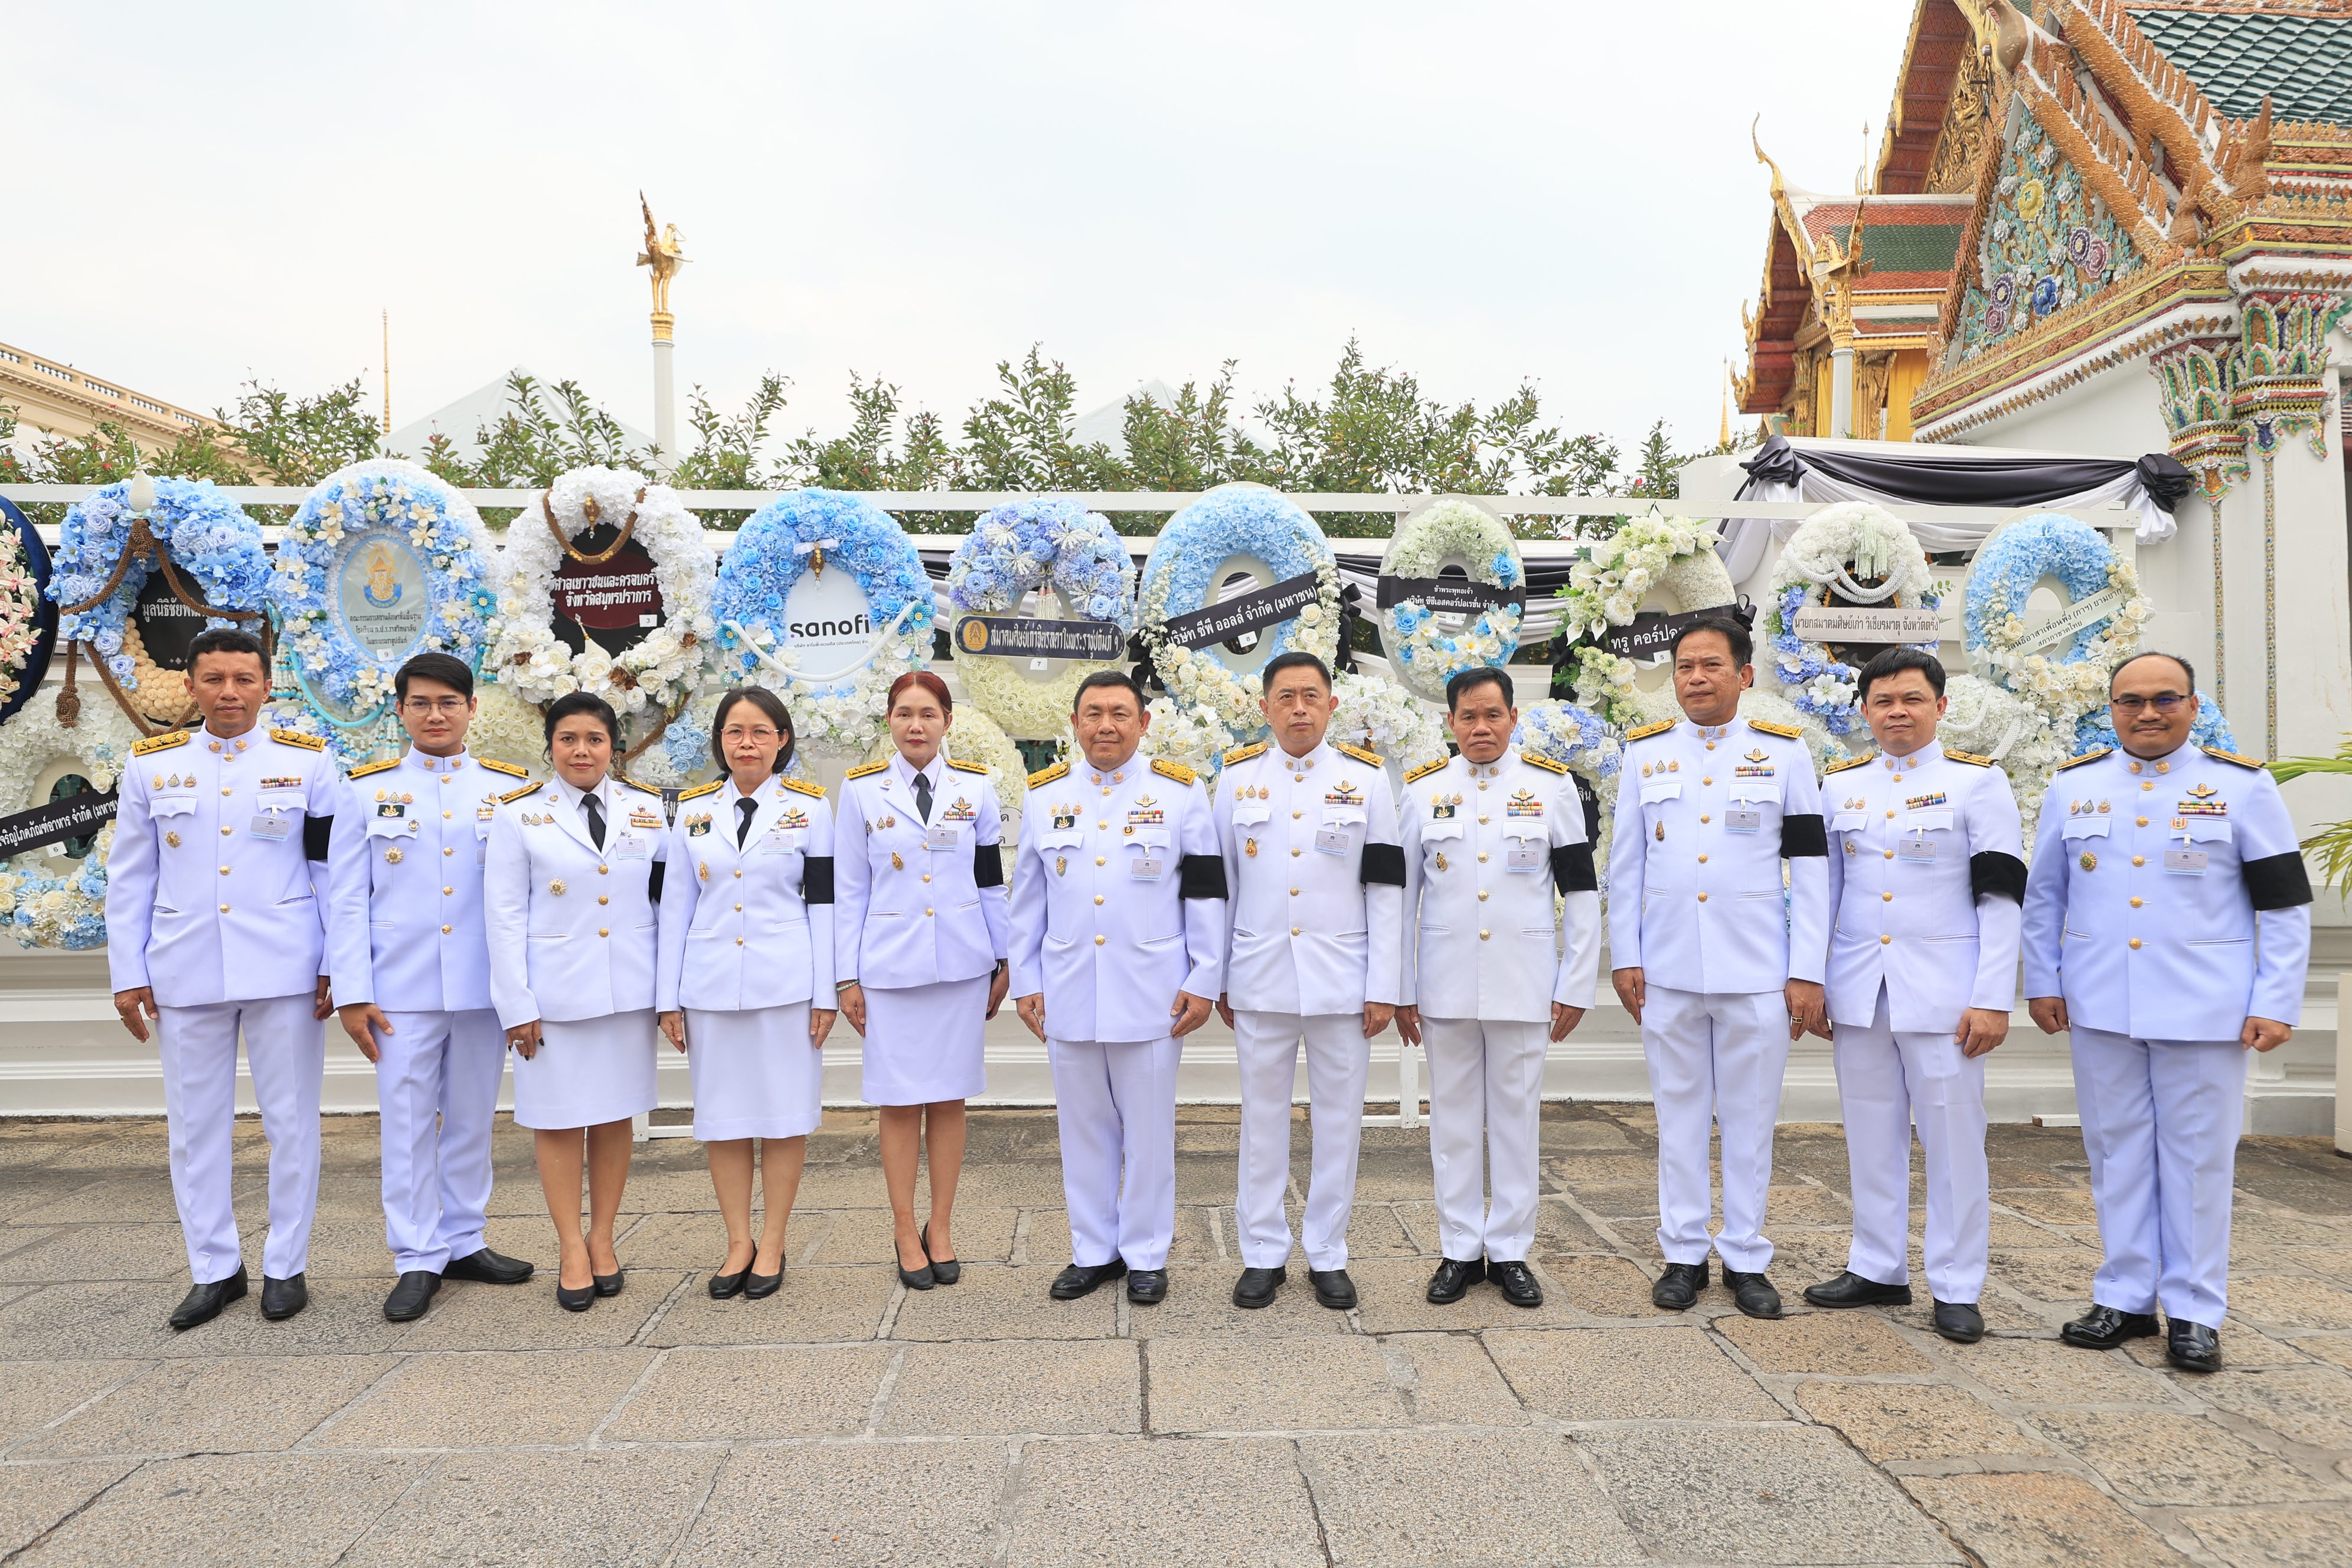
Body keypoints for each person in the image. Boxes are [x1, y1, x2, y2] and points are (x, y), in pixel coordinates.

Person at [2023, 651, 2311, 1373]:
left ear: (2191, 704)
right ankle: (2123, 1296)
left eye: (2164, 699)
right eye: (2131, 701)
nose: (2147, 713)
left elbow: (2283, 904)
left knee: (2195, 1162)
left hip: (2206, 1007)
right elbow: (2046, 898)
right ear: (2111, 708)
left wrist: (2275, 999)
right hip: (2100, 1000)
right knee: (2116, 1153)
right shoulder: (2074, 786)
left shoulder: (2241, 787)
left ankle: (2193, 1309)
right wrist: (2043, 981)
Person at [107, 628, 338, 1329]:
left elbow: (333, 873)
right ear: (190, 686)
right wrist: (128, 972)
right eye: (214, 679)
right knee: (193, 1128)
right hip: (186, 968)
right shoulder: (152, 767)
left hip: (286, 967)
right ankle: (215, 1268)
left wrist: (337, 963)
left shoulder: (309, 763)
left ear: (268, 686)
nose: (229, 693)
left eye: (244, 679)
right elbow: (130, 876)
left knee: (291, 1123)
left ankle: (285, 1265)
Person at [1608, 616, 1828, 1320]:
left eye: (1710, 665)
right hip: (1668, 969)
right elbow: (1626, 863)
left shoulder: (1787, 756)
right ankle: (1682, 1253)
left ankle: (1745, 1256)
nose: (1695, 678)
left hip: (1758, 969)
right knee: (1677, 1116)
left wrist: (1807, 970)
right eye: (1684, 667)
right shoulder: (1645, 755)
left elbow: (1813, 870)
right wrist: (1627, 955)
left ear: (1744, 675)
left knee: (1750, 1118)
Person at [1801, 648, 2023, 1345]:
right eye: (1884, 701)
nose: (1897, 711)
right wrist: (1814, 978)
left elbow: (2002, 897)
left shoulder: (1977, 785)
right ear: (1864, 711)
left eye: (1912, 699)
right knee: (1871, 1133)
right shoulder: (1841, 786)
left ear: (1940, 707)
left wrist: (1993, 996)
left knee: (1955, 1141)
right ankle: (1878, 1265)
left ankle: (1957, 1284)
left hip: (1947, 994)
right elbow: (1822, 894)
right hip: (1862, 990)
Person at [329, 651, 538, 1323]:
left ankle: (464, 1238)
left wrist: (521, 992)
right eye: (421, 702)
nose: (436, 714)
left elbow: (523, 899)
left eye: (450, 702)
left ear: (473, 709)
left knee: (474, 1118)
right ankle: (416, 1254)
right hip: (401, 990)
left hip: (482, 988)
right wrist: (354, 991)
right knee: (409, 1123)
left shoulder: (507, 791)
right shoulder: (363, 790)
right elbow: (346, 900)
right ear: (400, 710)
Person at [1010, 670, 1227, 1305]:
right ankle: (1093, 1250)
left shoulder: (1182, 793)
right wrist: (1026, 979)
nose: (1107, 725)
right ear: (1075, 724)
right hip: (1069, 986)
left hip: (1153, 991)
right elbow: (1028, 898)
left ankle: (1147, 1253)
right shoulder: (1044, 794)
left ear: (1144, 722)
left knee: (1150, 1129)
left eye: (1120, 713)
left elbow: (1207, 891)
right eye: (1094, 713)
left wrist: (1204, 977)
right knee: (1082, 1127)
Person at [1396, 667, 1599, 1309]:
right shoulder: (1424, 792)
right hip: (1446, 985)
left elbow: (1582, 890)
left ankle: (1509, 1248)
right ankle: (1459, 1247)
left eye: (1493, 715)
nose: (1480, 727)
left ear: (1513, 717)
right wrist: (1402, 986)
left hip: (1525, 982)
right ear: (1450, 722)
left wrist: (1577, 981)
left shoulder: (1552, 787)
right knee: (1452, 1121)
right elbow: (1402, 900)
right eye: (1468, 717)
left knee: (1517, 1118)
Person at [1215, 650, 1404, 1311]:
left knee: (1339, 1122)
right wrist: (1219, 978)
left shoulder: (1369, 780)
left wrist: (1385, 983)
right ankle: (1262, 1252)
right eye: (1286, 696)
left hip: (1342, 983)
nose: (1299, 708)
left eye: (1311, 696)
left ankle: (1327, 1250)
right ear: (1265, 707)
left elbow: (1385, 888)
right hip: (1260, 977)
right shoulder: (1236, 779)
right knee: (1261, 1120)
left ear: (1330, 705)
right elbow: (1220, 890)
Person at [484, 691, 668, 1312]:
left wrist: (669, 994)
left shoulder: (647, 810)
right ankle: (569, 1245)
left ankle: (603, 1236)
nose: (582, 750)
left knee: (615, 1115)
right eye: (568, 739)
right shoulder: (518, 816)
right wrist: (517, 1004)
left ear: (613, 746)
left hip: (627, 990)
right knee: (558, 1121)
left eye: (594, 738)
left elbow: (667, 907)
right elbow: (503, 917)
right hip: (553, 998)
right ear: (551, 746)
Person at [656, 687, 837, 1300]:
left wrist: (825, 993)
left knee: (784, 1119)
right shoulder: (693, 811)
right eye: (735, 732)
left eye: (761, 731)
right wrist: (667, 997)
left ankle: (775, 1239)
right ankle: (738, 1241)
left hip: (786, 986)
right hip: (709, 988)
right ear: (721, 743)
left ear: (782, 740)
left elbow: (825, 905)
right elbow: (675, 907)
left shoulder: (810, 809)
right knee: (725, 1121)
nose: (748, 743)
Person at [835, 671, 1011, 1289]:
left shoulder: (977, 789)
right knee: (900, 1099)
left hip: (961, 964)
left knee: (950, 1097)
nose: (917, 725)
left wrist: (1003, 957)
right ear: (890, 721)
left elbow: (990, 880)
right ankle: (905, 1226)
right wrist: (845, 977)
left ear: (947, 722)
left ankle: (941, 1224)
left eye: (928, 714)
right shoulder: (860, 793)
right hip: (891, 968)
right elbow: (848, 891)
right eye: (905, 713)